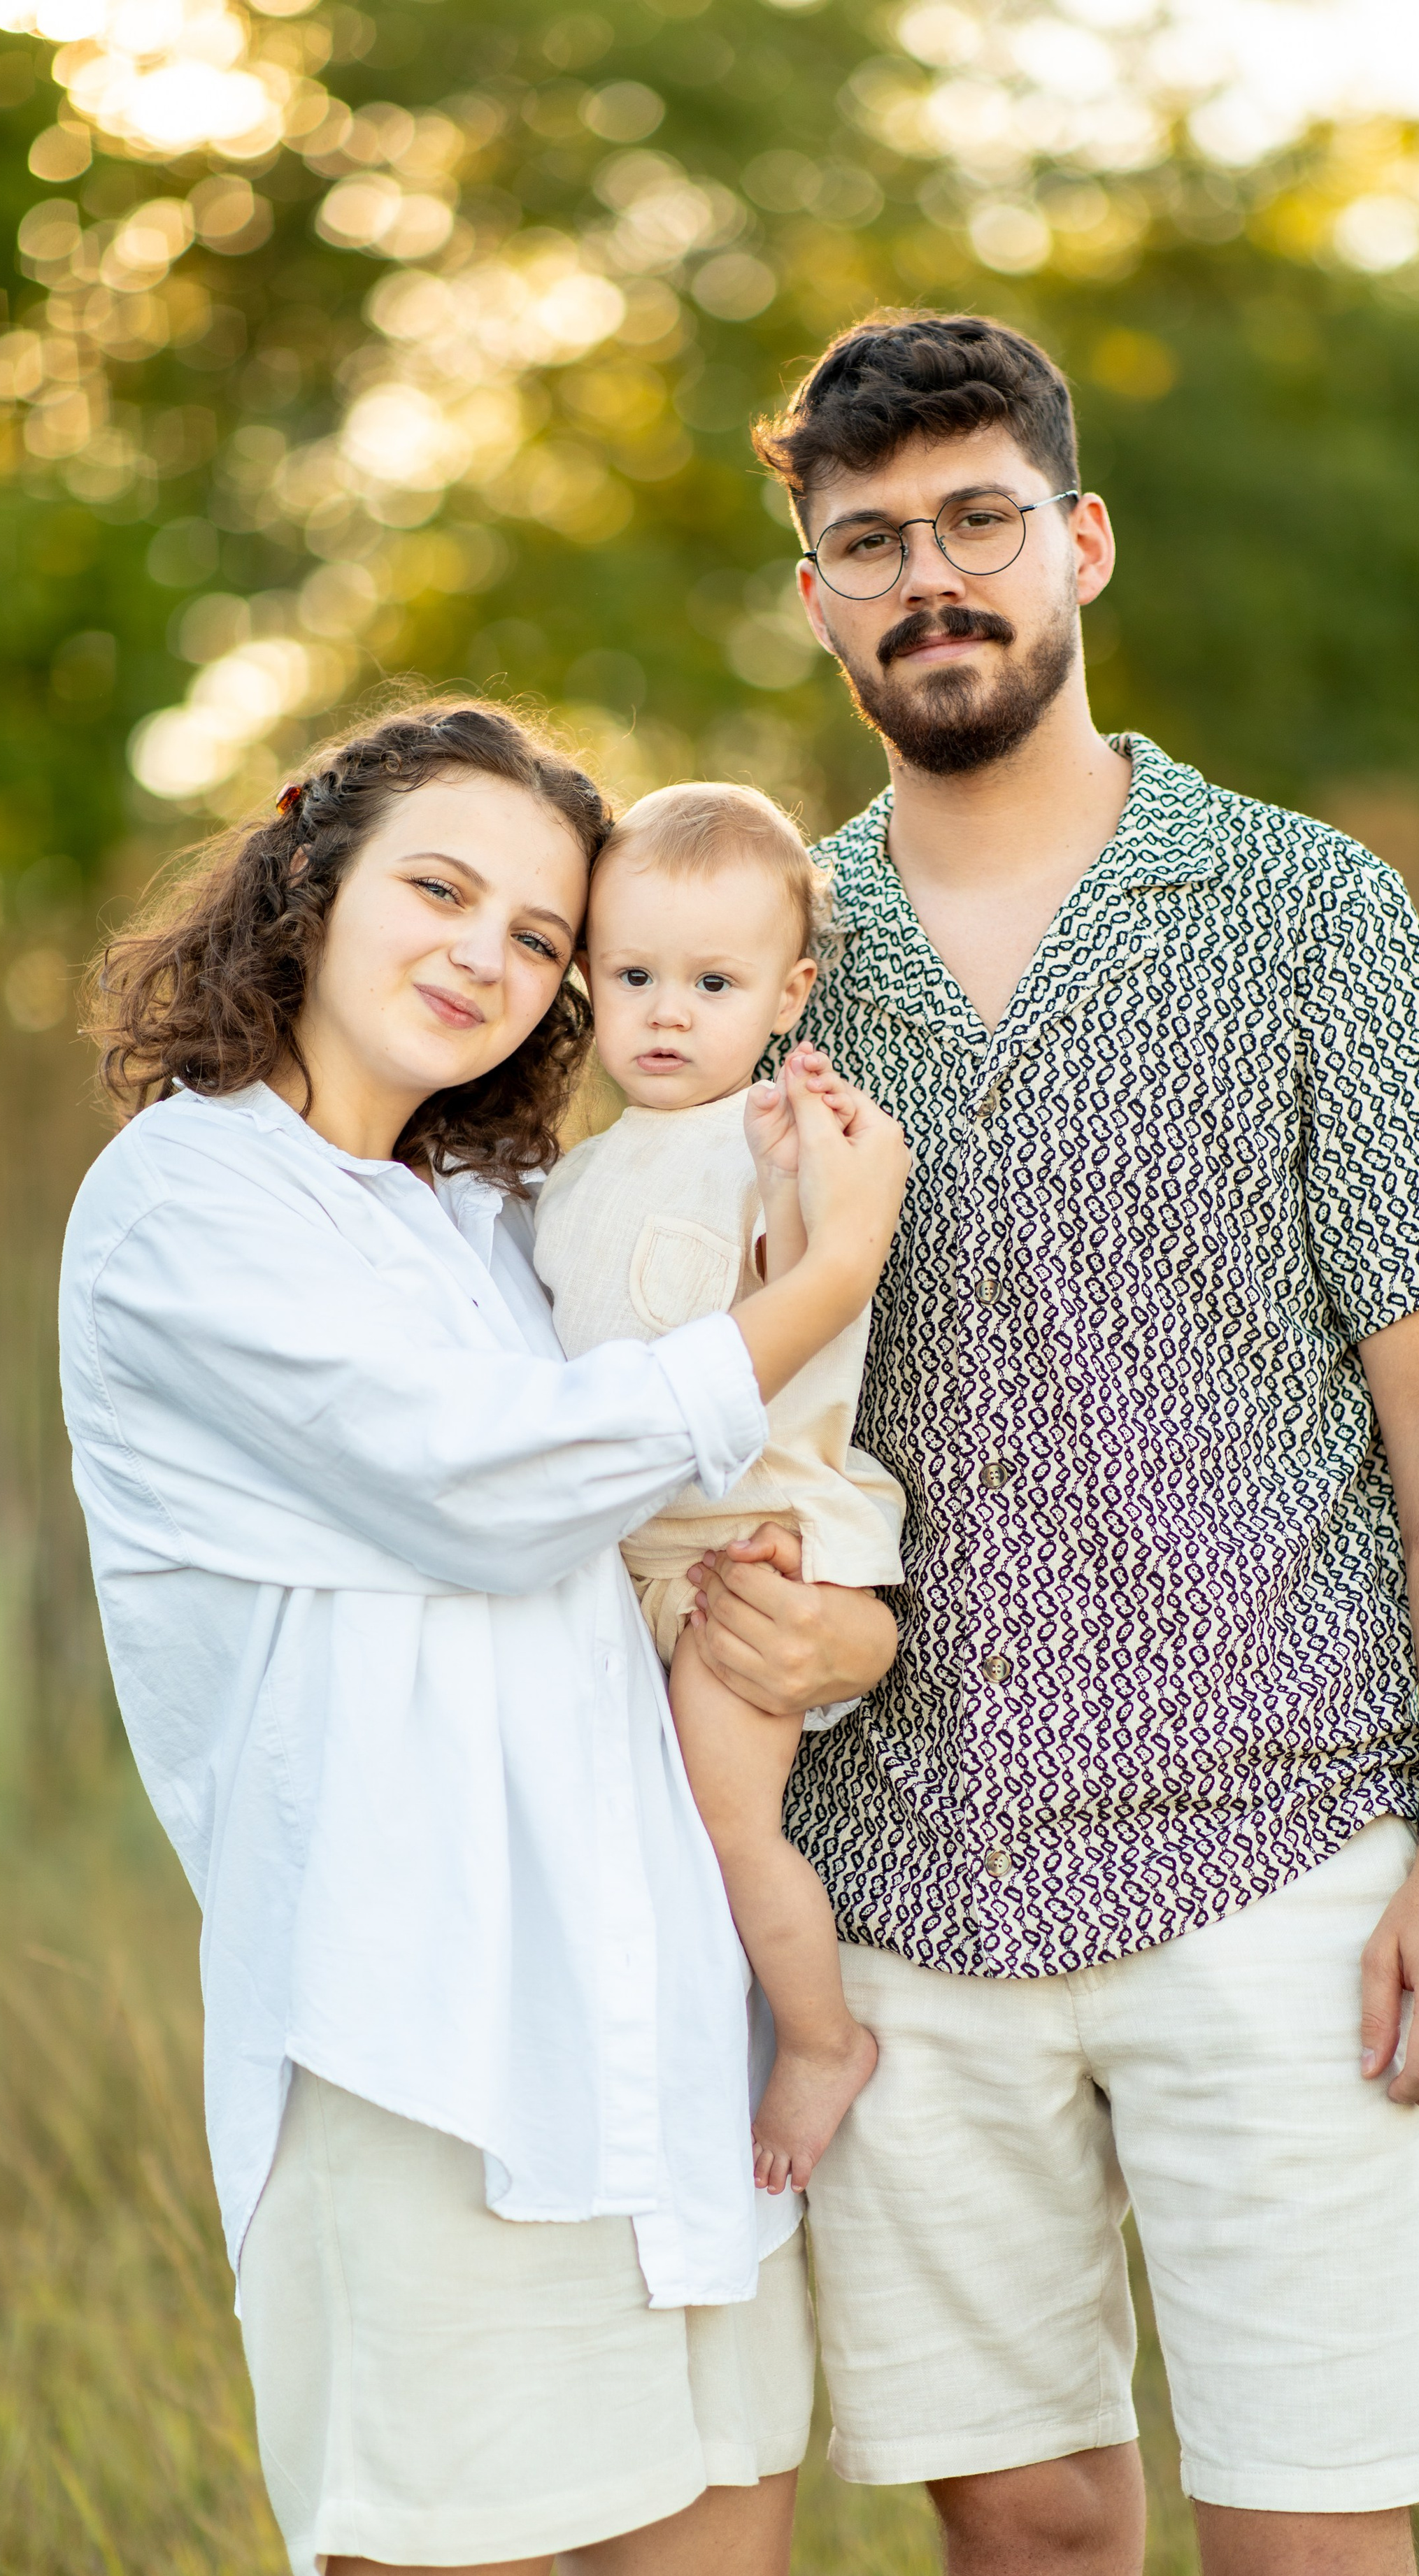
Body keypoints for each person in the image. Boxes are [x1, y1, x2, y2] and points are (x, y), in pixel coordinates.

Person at [680, 314, 1419, 2576]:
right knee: (1031, 2568)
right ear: (816, 601)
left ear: (1077, 540)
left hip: (1283, 1865)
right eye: (868, 545)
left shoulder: (1307, 909)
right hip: (905, 1890)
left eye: (974, 523)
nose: (927, 579)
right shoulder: (779, 974)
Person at [59, 701, 909, 2576]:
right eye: (441, 889)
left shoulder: (486, 1220)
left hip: (665, 2022)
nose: (487, 956)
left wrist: (842, 1638)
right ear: (312, 876)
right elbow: (487, 1489)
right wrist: (827, 1274)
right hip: (424, 2047)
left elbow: (686, 1537)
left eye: (540, 935)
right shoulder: (191, 1207)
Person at [534, 782, 904, 2200]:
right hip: (639, 1554)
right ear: (586, 979)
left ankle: (817, 2043)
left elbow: (803, 1308)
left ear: (788, 990)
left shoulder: (786, 1138)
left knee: (723, 1819)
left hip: (764, 1543)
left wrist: (793, 1182)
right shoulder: (572, 1179)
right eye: (632, 977)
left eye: (710, 982)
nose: (665, 1013)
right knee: (639, 1827)